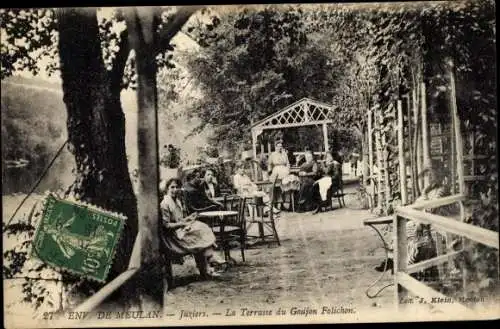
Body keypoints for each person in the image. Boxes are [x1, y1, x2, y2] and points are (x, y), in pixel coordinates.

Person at [159, 178, 226, 279]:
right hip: (173, 237)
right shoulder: (165, 204)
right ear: (166, 189)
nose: (175, 189)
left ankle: (207, 266)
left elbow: (180, 219)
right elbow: (166, 225)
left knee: (202, 227)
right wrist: (182, 224)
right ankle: (210, 260)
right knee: (199, 232)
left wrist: (189, 218)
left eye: (177, 187)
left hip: (181, 231)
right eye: (172, 187)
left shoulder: (177, 201)